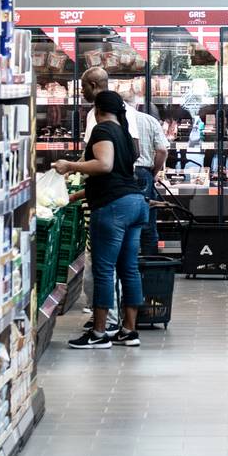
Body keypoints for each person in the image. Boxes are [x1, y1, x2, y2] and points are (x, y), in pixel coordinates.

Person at [52, 90, 150, 349]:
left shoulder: (102, 130)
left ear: (96, 109)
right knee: (129, 269)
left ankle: (98, 333)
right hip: (135, 204)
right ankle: (129, 330)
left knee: (104, 270)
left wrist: (69, 166)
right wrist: (72, 198)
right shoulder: (126, 135)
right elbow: (117, 177)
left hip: (113, 209)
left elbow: (104, 165)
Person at [78, 67, 165, 195]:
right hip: (104, 183)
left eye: (83, 86)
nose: (82, 91)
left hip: (116, 185)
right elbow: (88, 153)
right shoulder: (92, 113)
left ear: (93, 85)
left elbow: (134, 150)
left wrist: (119, 173)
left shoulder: (122, 111)